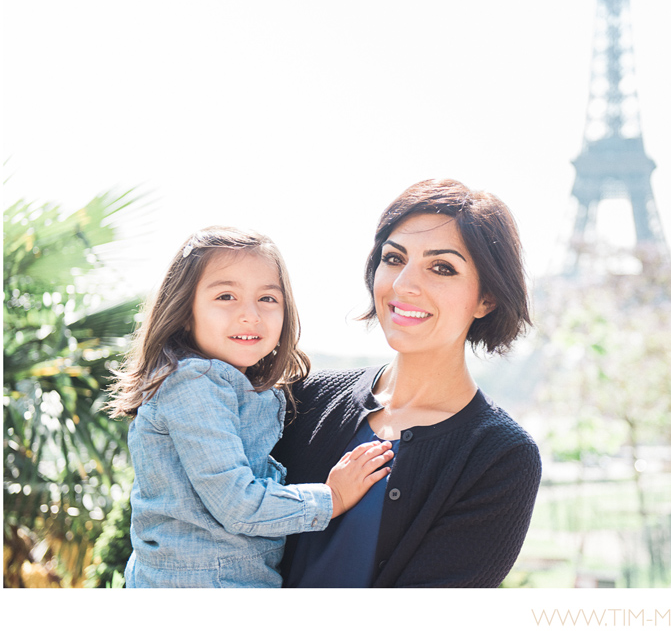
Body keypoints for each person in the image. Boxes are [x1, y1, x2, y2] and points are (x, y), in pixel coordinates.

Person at [272, 178, 542, 587]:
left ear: (487, 298)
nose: (403, 285)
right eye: (394, 258)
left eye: (441, 267)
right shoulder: (303, 398)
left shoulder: (500, 457)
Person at [106, 226, 394, 588]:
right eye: (226, 296)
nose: (250, 315)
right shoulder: (193, 383)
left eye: (268, 299)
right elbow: (237, 504)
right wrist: (332, 498)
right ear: (183, 310)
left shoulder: (237, 385)